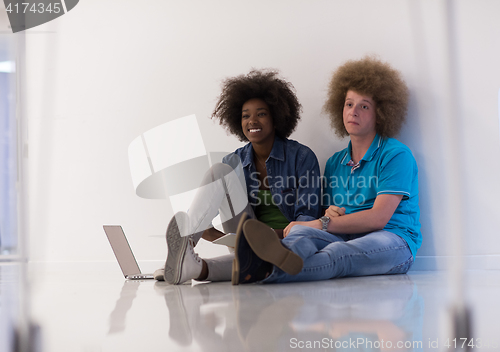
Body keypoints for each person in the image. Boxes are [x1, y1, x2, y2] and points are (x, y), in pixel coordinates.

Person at [233, 57, 421, 284]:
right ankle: (259, 264)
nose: (354, 112)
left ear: (381, 113)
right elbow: (329, 214)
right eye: (349, 104)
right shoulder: (335, 162)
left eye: (364, 106)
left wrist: (320, 223)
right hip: (344, 235)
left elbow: (378, 218)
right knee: (299, 234)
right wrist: (326, 217)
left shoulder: (396, 155)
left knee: (338, 254)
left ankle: (264, 272)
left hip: (393, 240)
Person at [161, 69, 321, 284]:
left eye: (261, 114)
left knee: (261, 260)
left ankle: (192, 268)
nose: (252, 120)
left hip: (286, 242)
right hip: (246, 237)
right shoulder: (232, 163)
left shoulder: (301, 157)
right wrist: (227, 239)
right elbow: (206, 225)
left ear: (276, 117)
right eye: (246, 115)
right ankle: (185, 249)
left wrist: (270, 237)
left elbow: (307, 219)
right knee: (219, 171)